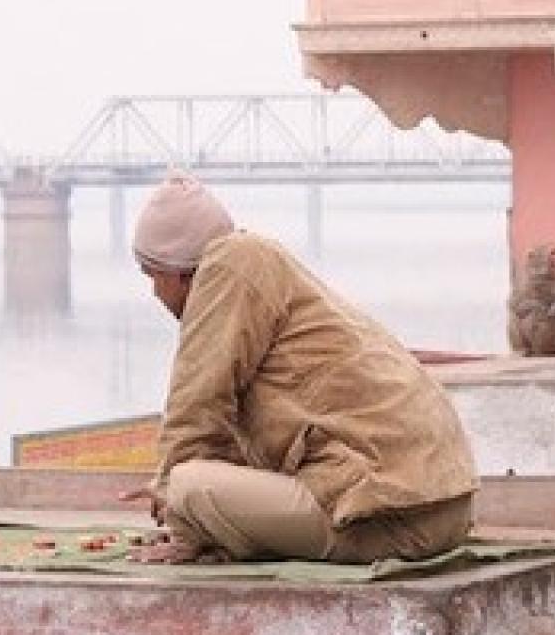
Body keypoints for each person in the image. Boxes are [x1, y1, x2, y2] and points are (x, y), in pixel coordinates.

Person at [122, 173, 478, 565]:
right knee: (190, 482)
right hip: (444, 508)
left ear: (178, 269)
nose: (155, 293)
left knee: (189, 485)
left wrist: (181, 515)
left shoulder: (224, 269)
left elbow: (195, 404)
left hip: (385, 520)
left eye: (151, 276)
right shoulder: (269, 268)